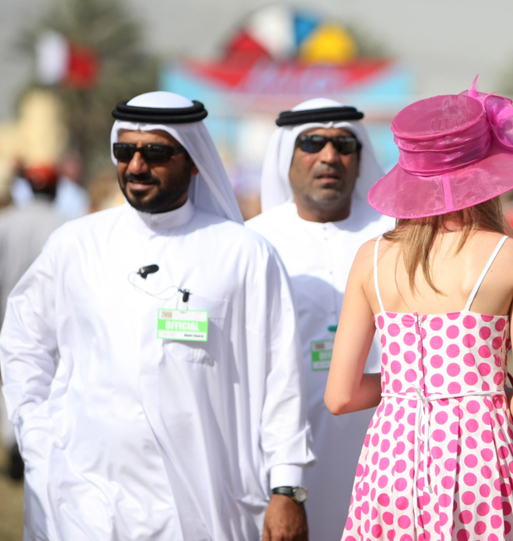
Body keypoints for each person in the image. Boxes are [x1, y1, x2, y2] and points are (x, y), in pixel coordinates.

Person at [0, 91, 314, 541]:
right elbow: (23, 343)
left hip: (203, 499)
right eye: (125, 151)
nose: (136, 166)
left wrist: (287, 485)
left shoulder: (242, 254)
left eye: (155, 152)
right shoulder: (76, 245)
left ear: (193, 160)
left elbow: (280, 377)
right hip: (83, 497)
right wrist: (36, 437)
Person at [325, 83, 513, 540]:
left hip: (390, 461)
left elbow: (340, 397)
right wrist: (472, 392)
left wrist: (407, 386)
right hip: (481, 462)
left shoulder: (370, 257)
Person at [247, 98, 394, 538]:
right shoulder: (253, 243)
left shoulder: (397, 235)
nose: (329, 156)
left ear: (360, 155)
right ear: (285, 156)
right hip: (286, 457)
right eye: (312, 143)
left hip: (387, 449)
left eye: (342, 144)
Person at [0, 161, 67, 481]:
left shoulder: (7, 222)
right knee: (47, 381)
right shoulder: (67, 225)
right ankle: (31, 446)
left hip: (6, 314)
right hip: (52, 319)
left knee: (9, 379)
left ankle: (16, 442)